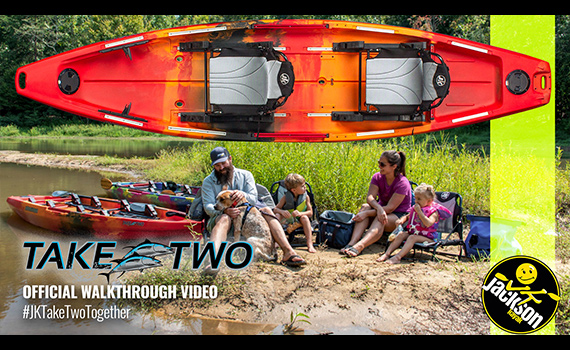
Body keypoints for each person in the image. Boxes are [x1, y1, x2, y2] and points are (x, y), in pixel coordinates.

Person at [202, 146, 307, 268]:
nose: (221, 168)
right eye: (217, 165)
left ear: (230, 159)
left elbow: (253, 197)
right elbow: (208, 206)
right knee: (224, 218)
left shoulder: (246, 175)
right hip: (222, 218)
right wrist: (225, 210)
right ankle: (213, 260)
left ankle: (289, 253)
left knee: (267, 210)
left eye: (223, 163)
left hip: (247, 218)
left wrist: (243, 194)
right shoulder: (208, 182)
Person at [341, 150, 412, 258]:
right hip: (382, 210)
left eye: (382, 164)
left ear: (393, 166)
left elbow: (390, 208)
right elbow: (370, 197)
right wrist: (378, 208)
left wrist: (369, 213)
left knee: (380, 218)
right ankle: (351, 243)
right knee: (365, 207)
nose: (379, 166)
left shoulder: (402, 183)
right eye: (379, 163)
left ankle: (359, 246)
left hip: (399, 216)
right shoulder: (377, 177)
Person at [377, 183, 452, 264]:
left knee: (412, 238)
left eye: (419, 199)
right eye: (415, 198)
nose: (416, 201)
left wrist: (420, 212)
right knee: (401, 235)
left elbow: (428, 223)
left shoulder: (434, 212)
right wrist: (401, 220)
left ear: (429, 201)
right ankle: (387, 254)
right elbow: (407, 216)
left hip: (428, 238)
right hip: (414, 232)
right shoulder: (415, 208)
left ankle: (398, 257)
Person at [273, 173, 316, 253]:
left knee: (305, 218)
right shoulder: (285, 197)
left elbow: (310, 213)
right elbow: (275, 209)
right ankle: (276, 241)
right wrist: (282, 211)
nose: (305, 187)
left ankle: (310, 244)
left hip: (300, 221)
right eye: (302, 186)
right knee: (278, 215)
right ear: (294, 190)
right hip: (287, 220)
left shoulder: (306, 197)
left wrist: (300, 214)